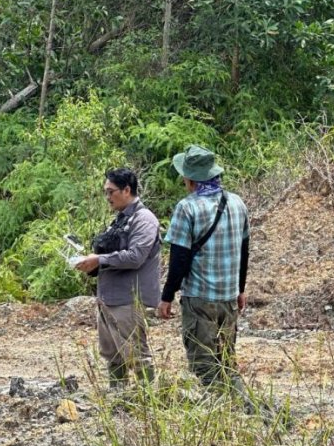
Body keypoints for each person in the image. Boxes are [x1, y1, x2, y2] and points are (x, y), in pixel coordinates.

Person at [158, 145, 250, 397]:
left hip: (199, 298)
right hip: (228, 299)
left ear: (190, 180)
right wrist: (240, 289)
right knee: (227, 361)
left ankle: (223, 417)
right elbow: (244, 250)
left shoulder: (187, 208)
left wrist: (166, 297)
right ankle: (240, 408)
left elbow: (179, 260)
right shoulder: (237, 203)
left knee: (205, 367)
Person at [74, 168, 161, 388]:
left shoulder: (144, 219)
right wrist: (91, 263)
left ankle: (148, 407)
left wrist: (99, 260)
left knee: (136, 354)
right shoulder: (120, 220)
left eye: (111, 192)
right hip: (109, 298)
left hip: (129, 299)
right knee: (112, 355)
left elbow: (136, 256)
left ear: (127, 190)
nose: (108, 197)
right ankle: (119, 401)